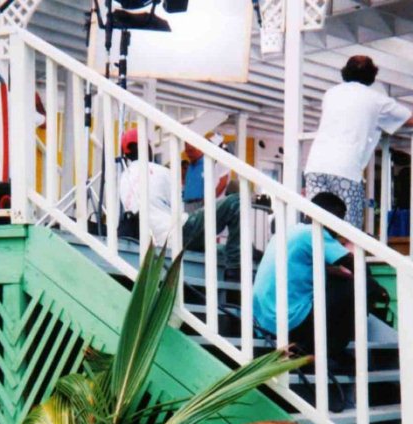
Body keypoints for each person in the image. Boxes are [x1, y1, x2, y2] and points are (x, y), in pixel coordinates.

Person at [304, 55, 413, 229]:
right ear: (372, 75)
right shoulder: (376, 99)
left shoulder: (330, 93)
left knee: (316, 226)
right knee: (349, 230)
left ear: (345, 72)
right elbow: (412, 120)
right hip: (346, 169)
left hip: (315, 165)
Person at [118, 129, 241, 279]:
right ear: (146, 147)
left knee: (223, 250)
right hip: (178, 232)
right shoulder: (160, 171)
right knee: (236, 202)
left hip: (155, 240)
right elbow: (178, 207)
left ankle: (238, 260)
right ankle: (235, 270)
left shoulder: (123, 179)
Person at [253, 193, 355, 359]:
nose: (338, 228)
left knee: (336, 280)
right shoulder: (314, 233)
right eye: (339, 220)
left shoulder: (289, 232)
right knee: (352, 287)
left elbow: (303, 266)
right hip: (290, 321)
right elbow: (353, 263)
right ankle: (330, 353)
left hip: (263, 321)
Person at [183, 132, 230, 212]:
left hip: (201, 204)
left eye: (191, 151)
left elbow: (222, 183)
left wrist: (208, 201)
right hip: (187, 205)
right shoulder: (190, 165)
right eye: (187, 151)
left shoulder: (210, 163)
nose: (188, 154)